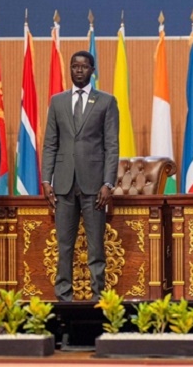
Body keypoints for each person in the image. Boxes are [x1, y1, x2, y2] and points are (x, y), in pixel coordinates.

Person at [41, 51, 119, 301]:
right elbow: (50, 143)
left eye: (83, 67)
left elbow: (112, 146)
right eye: (74, 66)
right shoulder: (57, 101)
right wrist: (46, 179)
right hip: (63, 184)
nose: (78, 70)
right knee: (64, 246)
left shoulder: (106, 101)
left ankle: (99, 298)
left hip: (95, 186)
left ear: (92, 70)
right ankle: (64, 296)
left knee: (96, 247)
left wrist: (108, 182)